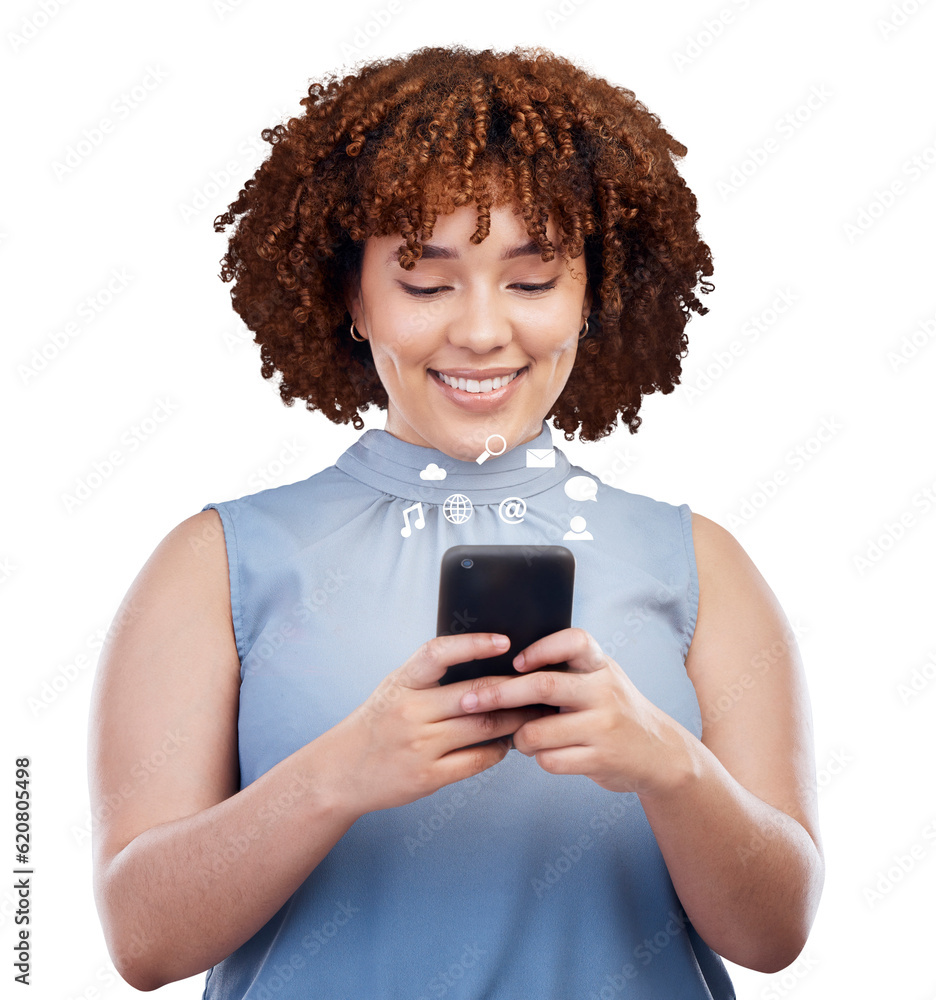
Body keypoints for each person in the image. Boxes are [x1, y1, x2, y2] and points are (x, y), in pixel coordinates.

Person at [88, 44, 824, 998]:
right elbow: (141, 942)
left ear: (592, 292)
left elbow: (776, 935)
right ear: (351, 295)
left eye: (531, 280)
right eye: (426, 282)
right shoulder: (218, 563)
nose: (481, 331)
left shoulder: (698, 565)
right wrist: (341, 774)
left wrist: (669, 767)